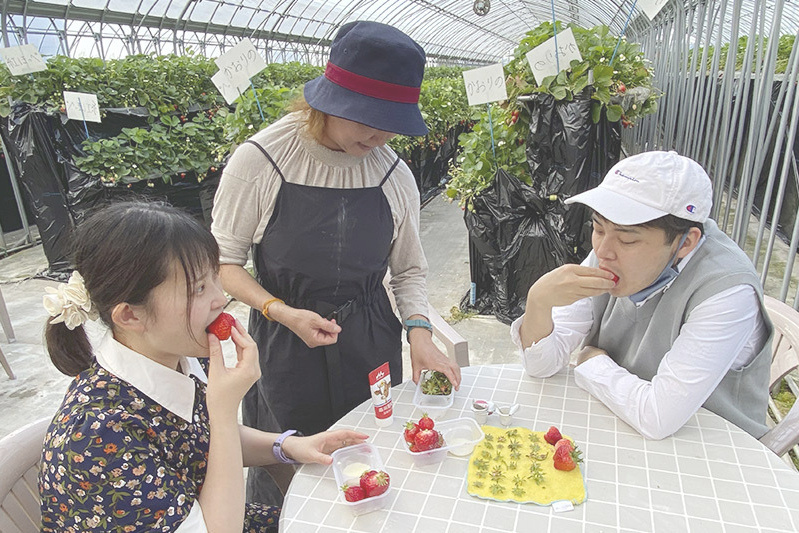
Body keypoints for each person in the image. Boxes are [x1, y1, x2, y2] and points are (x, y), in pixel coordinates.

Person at [211, 20, 461, 503]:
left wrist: (420, 335)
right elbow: (224, 263)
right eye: (368, 119)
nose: (381, 135)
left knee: (372, 457)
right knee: (290, 461)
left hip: (368, 341)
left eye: (392, 123)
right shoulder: (262, 160)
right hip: (284, 341)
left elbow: (408, 269)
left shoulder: (393, 171)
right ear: (328, 101)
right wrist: (280, 310)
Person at [38, 202, 367, 533]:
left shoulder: (177, 354)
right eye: (198, 288)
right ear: (130, 315)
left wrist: (288, 446)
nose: (220, 299)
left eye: (214, 278)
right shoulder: (96, 434)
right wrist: (224, 410)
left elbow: (198, 438)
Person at [512, 151, 773, 440]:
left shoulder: (726, 292)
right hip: (624, 425)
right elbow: (541, 365)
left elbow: (658, 417)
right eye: (598, 228)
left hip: (717, 451)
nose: (603, 251)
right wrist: (539, 301)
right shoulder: (608, 255)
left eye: (627, 239)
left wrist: (591, 363)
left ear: (685, 242)